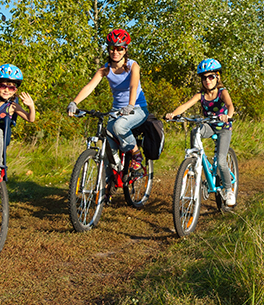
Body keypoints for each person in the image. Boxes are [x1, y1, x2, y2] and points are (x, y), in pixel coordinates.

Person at [67, 29, 149, 170]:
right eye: (112, 48)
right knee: (107, 137)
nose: (115, 52)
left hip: (137, 108)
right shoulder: (104, 70)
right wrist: (74, 102)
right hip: (117, 111)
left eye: (119, 48)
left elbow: (133, 86)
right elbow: (89, 87)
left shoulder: (133, 66)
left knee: (119, 127)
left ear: (125, 50)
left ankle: (136, 153)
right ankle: (110, 178)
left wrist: (130, 105)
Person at [165, 58, 235, 206]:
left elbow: (230, 105)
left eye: (211, 76)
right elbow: (185, 106)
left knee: (221, 161)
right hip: (209, 125)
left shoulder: (222, 92)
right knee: (195, 130)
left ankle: (229, 190)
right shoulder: (200, 95)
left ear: (217, 77)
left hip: (223, 127)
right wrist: (173, 114)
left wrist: (228, 116)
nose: (207, 80)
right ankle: (194, 157)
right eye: (204, 78)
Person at [0, 64, 36, 180]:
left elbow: (30, 119)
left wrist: (31, 106)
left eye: (11, 88)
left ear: (15, 90)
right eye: (2, 86)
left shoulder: (12, 106)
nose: (6, 90)